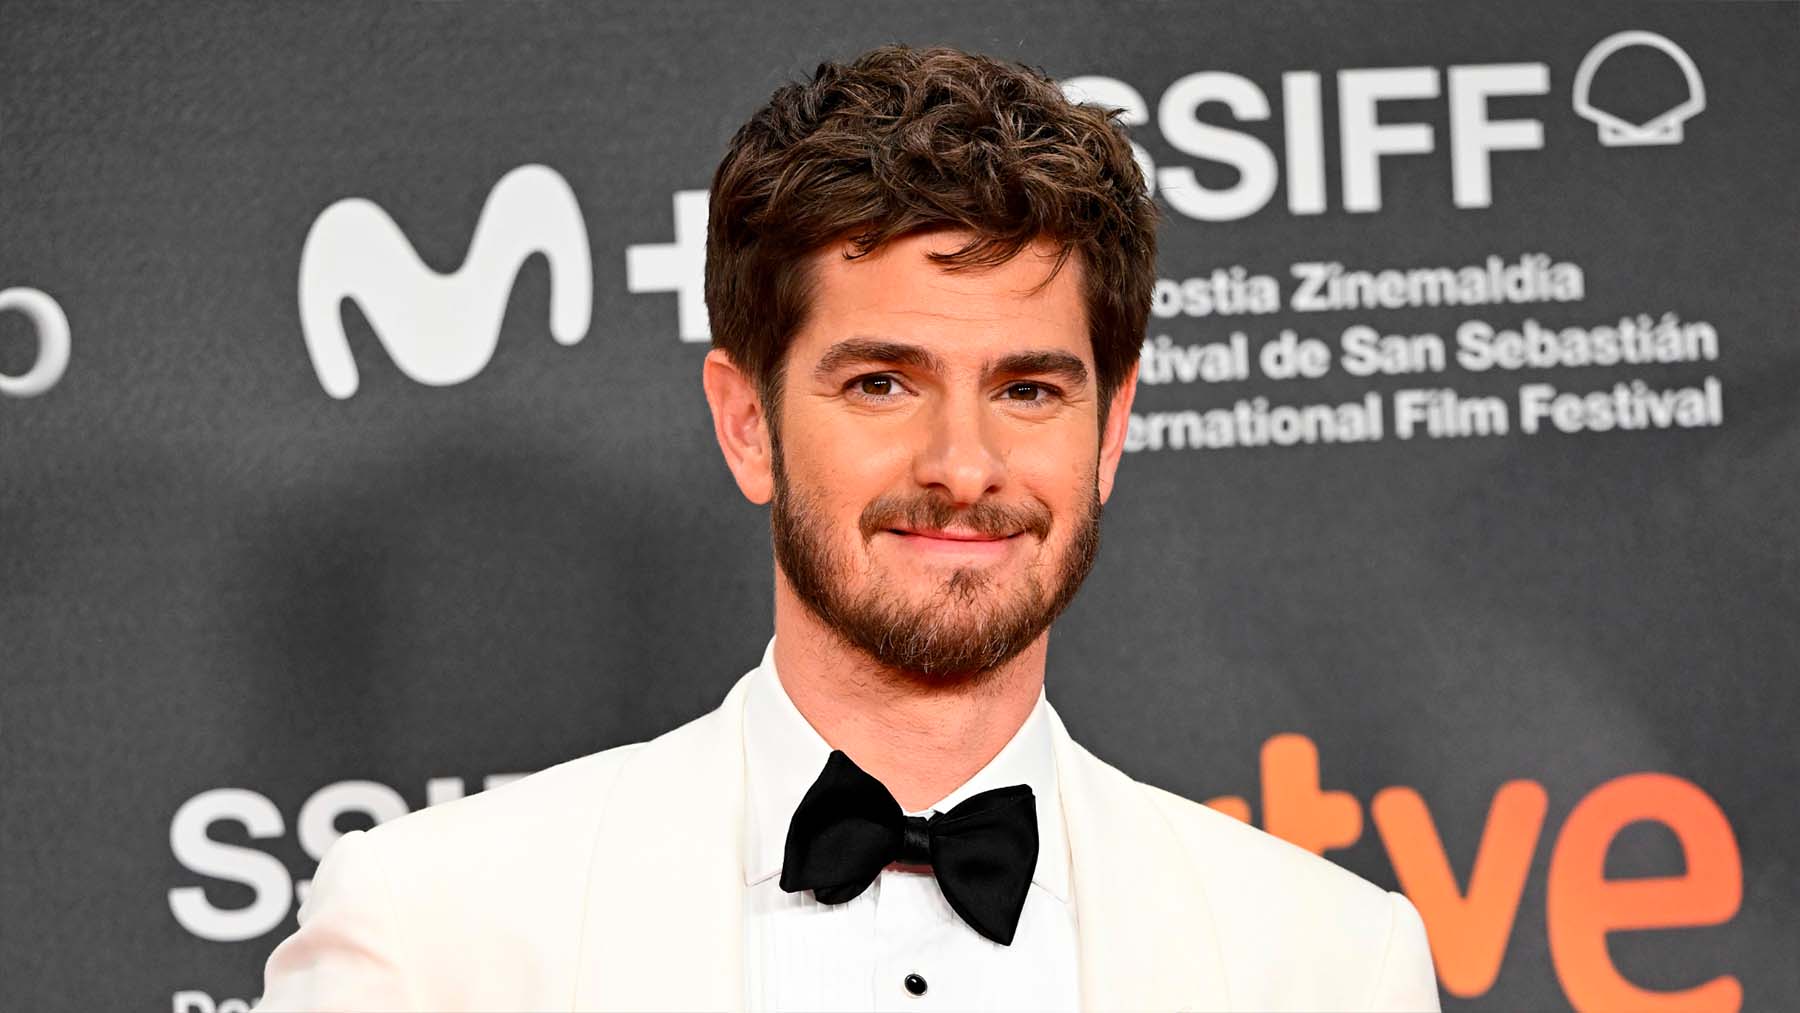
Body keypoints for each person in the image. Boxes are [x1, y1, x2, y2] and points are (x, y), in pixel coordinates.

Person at [255, 44, 1441, 1012]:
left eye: (1029, 389)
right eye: (882, 382)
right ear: (746, 422)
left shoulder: (1330, 962)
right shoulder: (432, 935)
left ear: (1111, 428)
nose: (963, 467)